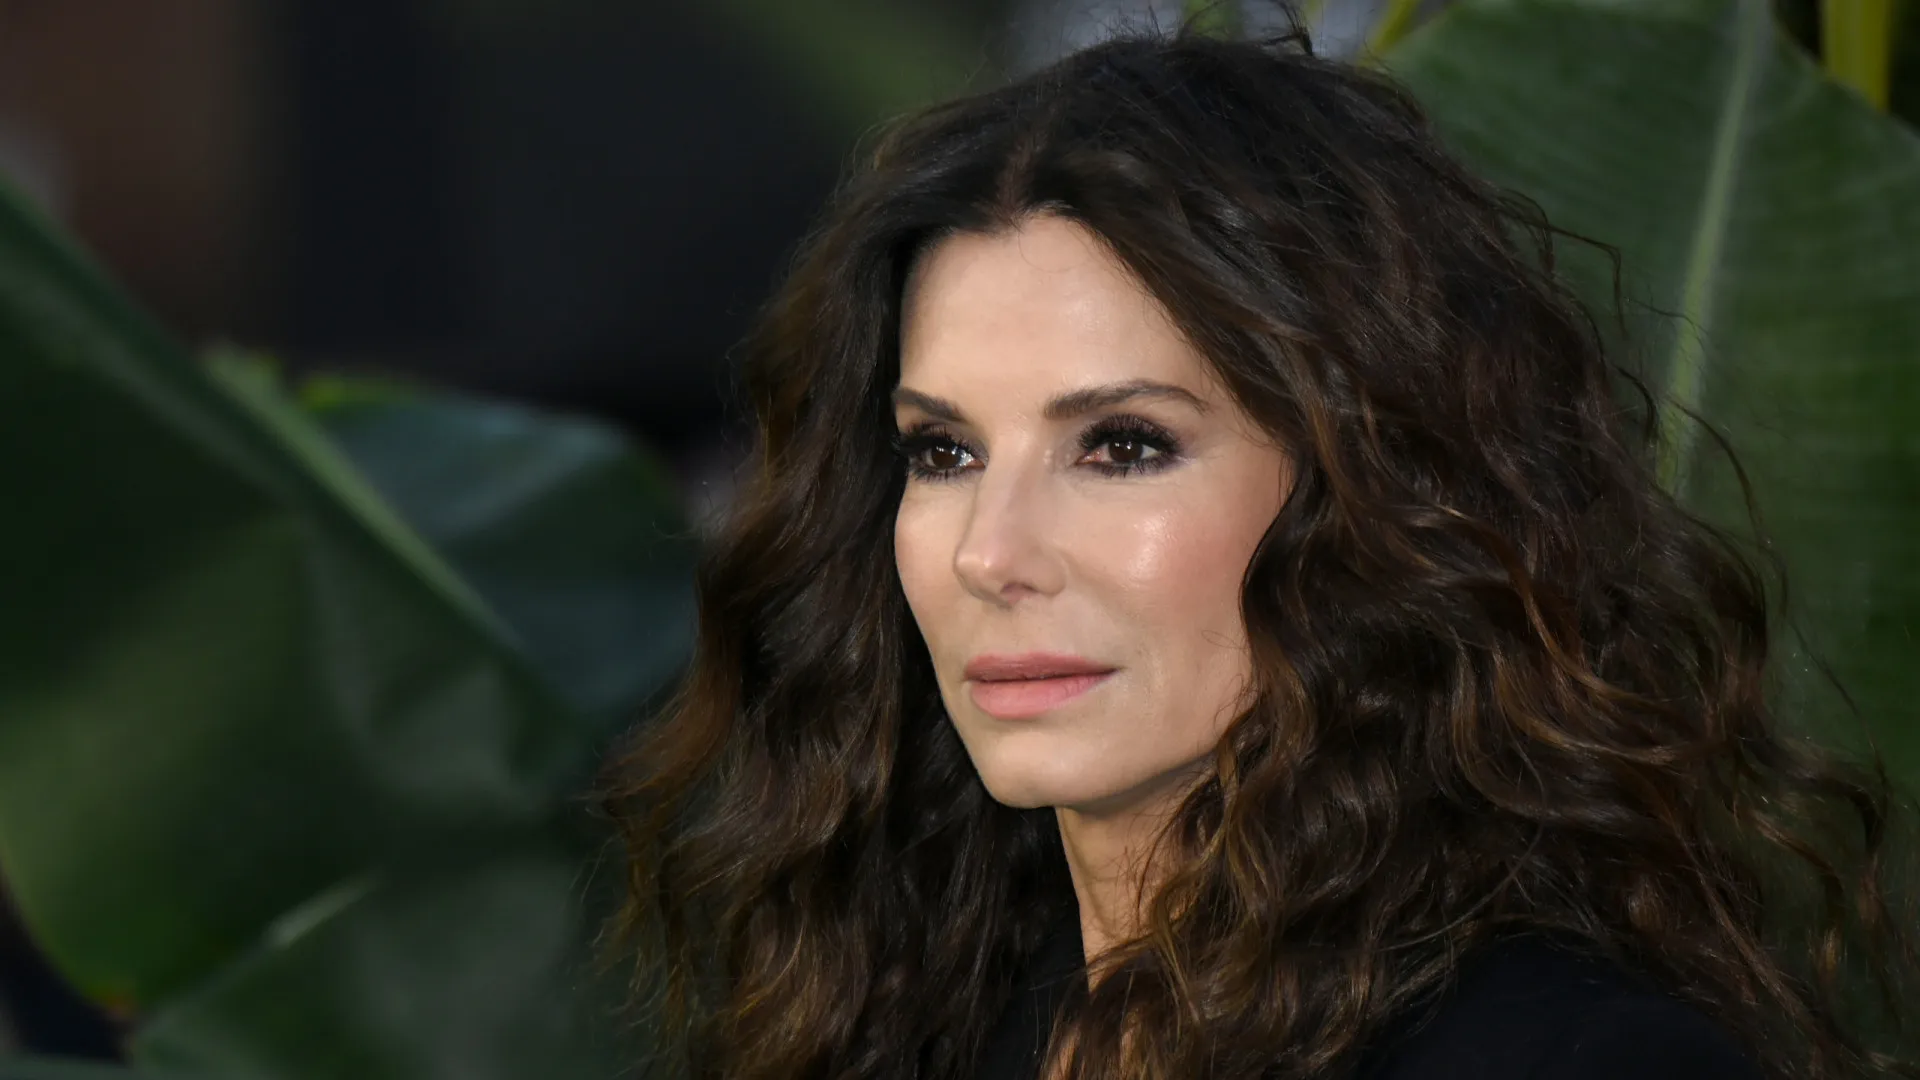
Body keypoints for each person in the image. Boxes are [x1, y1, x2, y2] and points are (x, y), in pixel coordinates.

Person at [594, 12, 1917, 1080]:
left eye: (1122, 446)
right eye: (943, 453)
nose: (992, 553)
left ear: (1370, 487)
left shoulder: (1565, 1058)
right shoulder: (907, 1019)